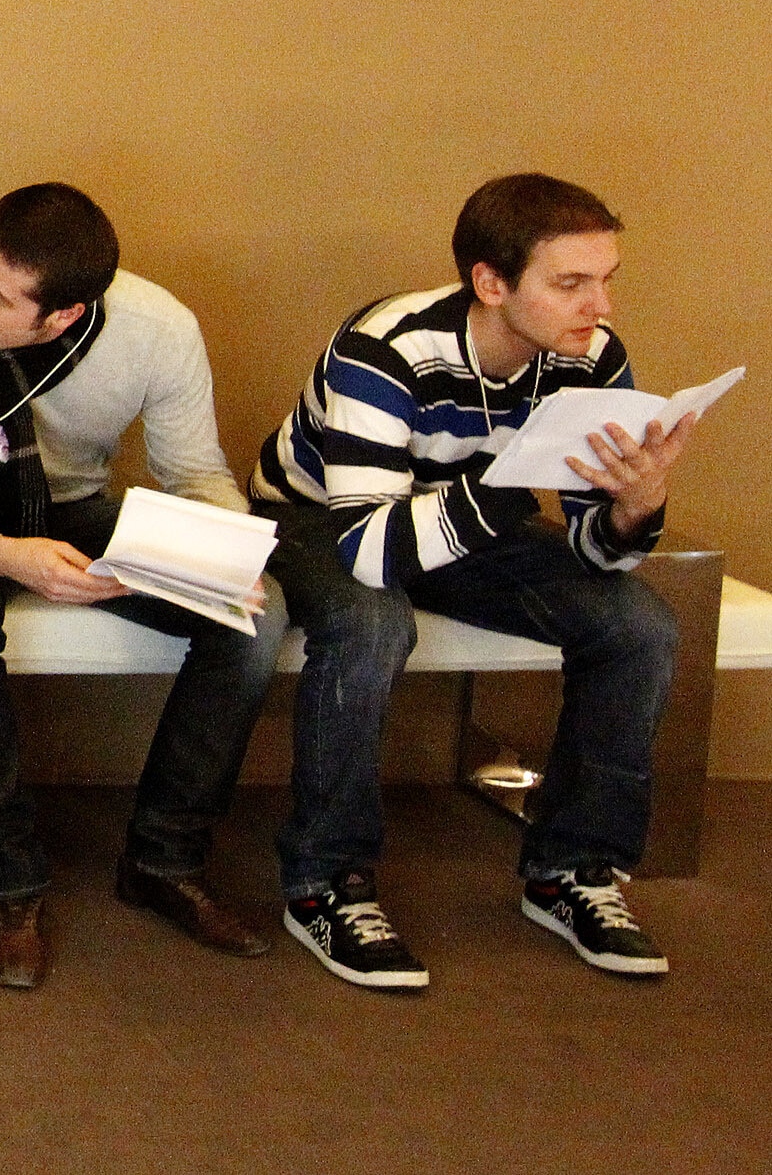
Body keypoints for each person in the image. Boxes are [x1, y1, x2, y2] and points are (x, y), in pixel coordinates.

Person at [253, 174, 701, 988]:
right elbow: (372, 552)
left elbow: (597, 554)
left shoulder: (592, 356)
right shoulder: (385, 347)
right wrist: (505, 489)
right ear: (490, 284)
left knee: (639, 626)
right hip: (320, 518)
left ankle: (571, 871)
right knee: (374, 622)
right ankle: (325, 884)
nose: (597, 306)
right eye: (570, 284)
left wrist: (636, 509)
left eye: (605, 281)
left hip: (463, 516)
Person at [0, 183, 286, 988]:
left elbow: (194, 473)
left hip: (81, 510)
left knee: (259, 618)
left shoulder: (158, 329)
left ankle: (164, 859)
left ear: (62, 316)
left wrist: (225, 554)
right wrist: (4, 553)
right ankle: (8, 884)